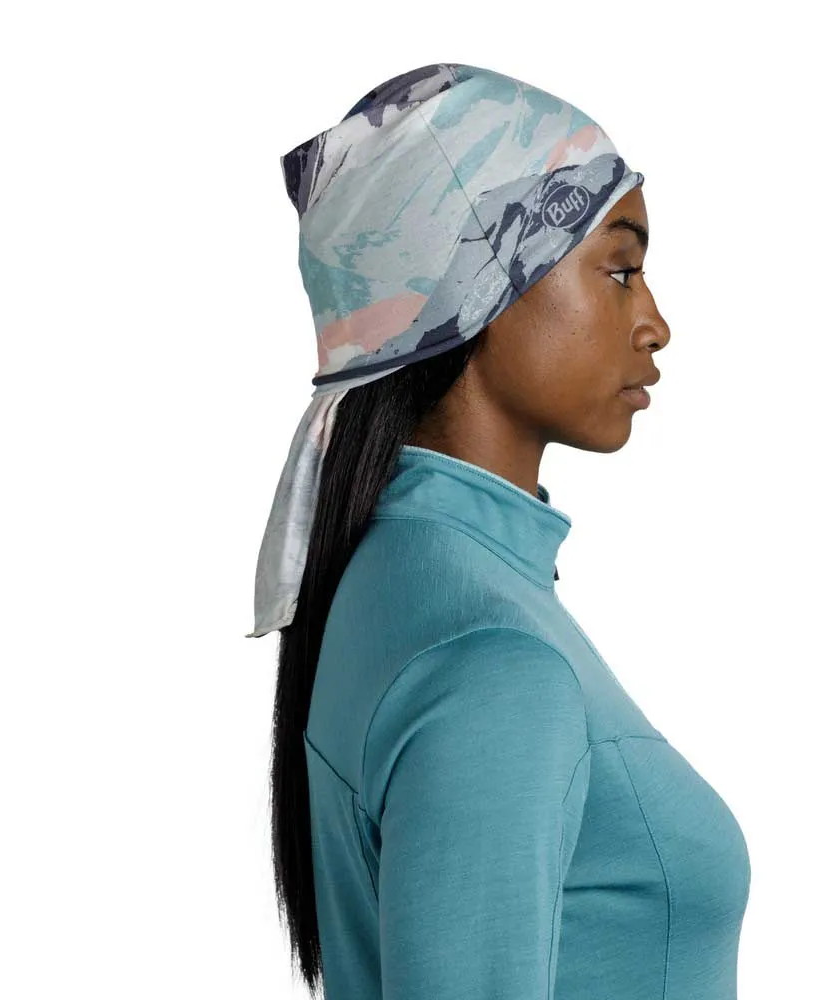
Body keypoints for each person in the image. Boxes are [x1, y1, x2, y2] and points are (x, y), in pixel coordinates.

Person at [248, 62, 751, 999]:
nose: (655, 324)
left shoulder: (398, 579)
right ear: (482, 281)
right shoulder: (492, 658)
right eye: (620, 270)